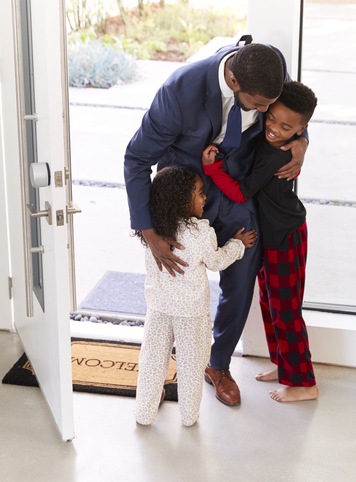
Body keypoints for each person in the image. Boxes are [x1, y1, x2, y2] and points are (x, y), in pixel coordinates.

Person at [124, 38, 309, 407]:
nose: (266, 111)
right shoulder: (179, 91)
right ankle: (160, 369)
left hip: (237, 191)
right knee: (173, 287)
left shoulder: (270, 67)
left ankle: (218, 364)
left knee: (242, 278)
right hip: (186, 193)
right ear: (235, 82)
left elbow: (294, 113)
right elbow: (137, 159)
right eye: (260, 105)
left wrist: (302, 140)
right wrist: (149, 231)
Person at [203, 81, 319, 403]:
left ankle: (304, 383)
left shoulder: (276, 155)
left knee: (286, 309)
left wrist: (213, 170)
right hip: (275, 234)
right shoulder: (277, 142)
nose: (275, 129)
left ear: (301, 130)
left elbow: (241, 192)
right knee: (270, 302)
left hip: (286, 236)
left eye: (286, 128)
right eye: (272, 119)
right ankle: (284, 366)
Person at [133, 166, 257, 426]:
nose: (205, 198)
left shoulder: (154, 232)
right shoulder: (201, 233)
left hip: (159, 308)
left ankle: (144, 414)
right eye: (200, 193)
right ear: (182, 200)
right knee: (191, 365)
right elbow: (216, 262)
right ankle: (189, 417)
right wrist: (237, 244)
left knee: (152, 362)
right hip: (192, 313)